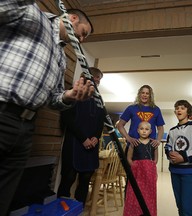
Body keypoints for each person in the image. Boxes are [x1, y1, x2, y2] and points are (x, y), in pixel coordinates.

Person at [0, 2, 94, 215]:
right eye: (83, 33)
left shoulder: (61, 56)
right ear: (73, 19)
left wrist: (69, 97)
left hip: (25, 129)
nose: (82, 39)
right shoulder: (31, 13)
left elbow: (53, 100)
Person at [57, 68, 105, 204]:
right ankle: (61, 210)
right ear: (86, 76)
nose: (98, 80)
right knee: (68, 177)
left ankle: (79, 209)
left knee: (85, 178)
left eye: (99, 79)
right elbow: (67, 119)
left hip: (92, 145)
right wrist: (83, 139)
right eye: (96, 77)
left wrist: (96, 137)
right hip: (74, 143)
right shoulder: (74, 92)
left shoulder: (98, 99)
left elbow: (101, 121)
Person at [164, 100, 192, 216]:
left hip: (189, 171)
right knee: (180, 204)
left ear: (188, 111)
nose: (179, 110)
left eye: (182, 108)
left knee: (187, 205)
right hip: (175, 171)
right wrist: (170, 154)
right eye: (177, 108)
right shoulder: (172, 131)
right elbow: (167, 147)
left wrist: (183, 157)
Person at [123, 121, 158, 216]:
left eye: (146, 129)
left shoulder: (153, 143)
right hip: (136, 173)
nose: (144, 131)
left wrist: (149, 167)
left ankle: (147, 212)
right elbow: (129, 158)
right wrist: (135, 166)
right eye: (141, 129)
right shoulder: (134, 143)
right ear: (138, 130)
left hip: (149, 173)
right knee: (135, 192)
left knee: (148, 193)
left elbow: (155, 159)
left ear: (150, 131)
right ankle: (134, 212)